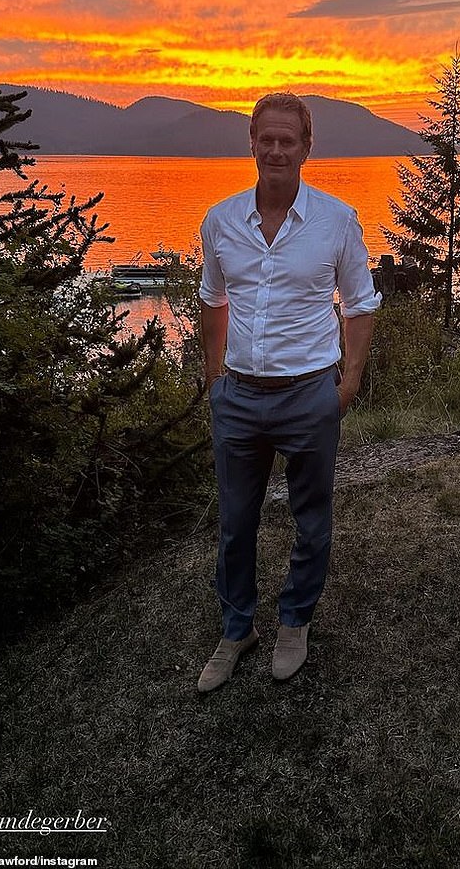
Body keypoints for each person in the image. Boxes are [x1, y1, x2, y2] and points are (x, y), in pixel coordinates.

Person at [197, 92, 381, 693]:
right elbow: (213, 300)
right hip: (241, 396)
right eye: (265, 139)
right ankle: (236, 626)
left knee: (312, 519)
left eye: (288, 140)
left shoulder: (337, 220)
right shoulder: (221, 221)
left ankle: (295, 621)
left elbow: (360, 304)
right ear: (252, 143)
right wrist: (215, 378)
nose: (276, 149)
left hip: (309, 393)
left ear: (306, 148)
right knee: (235, 522)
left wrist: (347, 382)